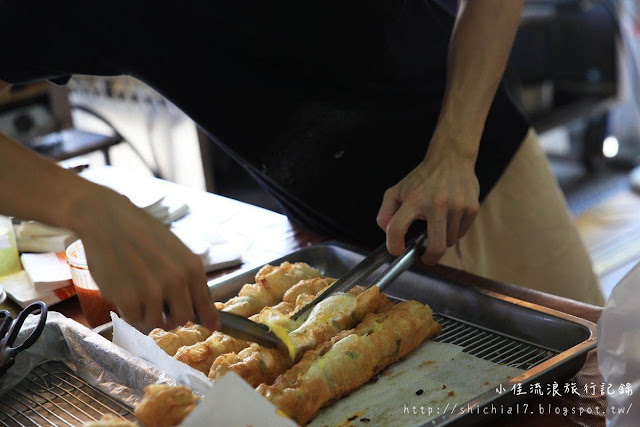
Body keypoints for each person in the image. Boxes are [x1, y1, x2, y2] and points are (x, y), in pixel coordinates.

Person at [0, 0, 603, 331]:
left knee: (586, 391)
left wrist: (454, 150)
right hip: (331, 237)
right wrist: (85, 206)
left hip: (478, 166)